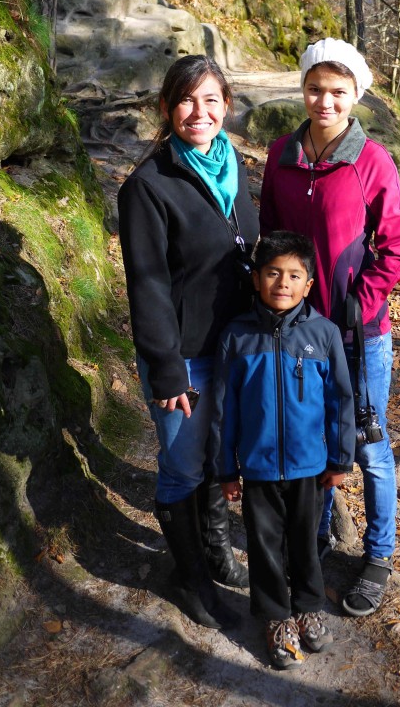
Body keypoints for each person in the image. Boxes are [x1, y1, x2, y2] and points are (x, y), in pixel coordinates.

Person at [259, 37, 400, 619]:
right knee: (313, 439)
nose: (324, 101)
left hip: (359, 334)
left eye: (337, 92)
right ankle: (318, 538)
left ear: (355, 96)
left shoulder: (371, 161)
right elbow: (271, 236)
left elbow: (397, 247)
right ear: (303, 90)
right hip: (300, 333)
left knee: (369, 448)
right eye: (315, 89)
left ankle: (378, 556)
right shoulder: (281, 156)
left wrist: (359, 302)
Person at [118, 54, 258, 629]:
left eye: (210, 101)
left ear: (226, 106)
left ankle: (216, 552)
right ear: (166, 108)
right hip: (184, 360)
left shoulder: (235, 167)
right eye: (186, 101)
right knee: (182, 467)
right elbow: (146, 286)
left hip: (236, 349)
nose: (198, 113)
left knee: (218, 458)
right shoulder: (148, 187)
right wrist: (167, 369)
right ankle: (190, 578)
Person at [213, 231, 355, 669]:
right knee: (264, 544)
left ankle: (308, 606)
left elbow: (341, 401)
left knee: (306, 542)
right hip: (256, 469)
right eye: (273, 273)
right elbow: (223, 409)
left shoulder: (324, 334)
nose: (283, 283)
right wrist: (226, 469)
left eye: (294, 275)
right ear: (256, 279)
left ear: (309, 284)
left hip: (309, 468)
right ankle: (276, 618)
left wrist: (340, 459)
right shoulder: (236, 337)